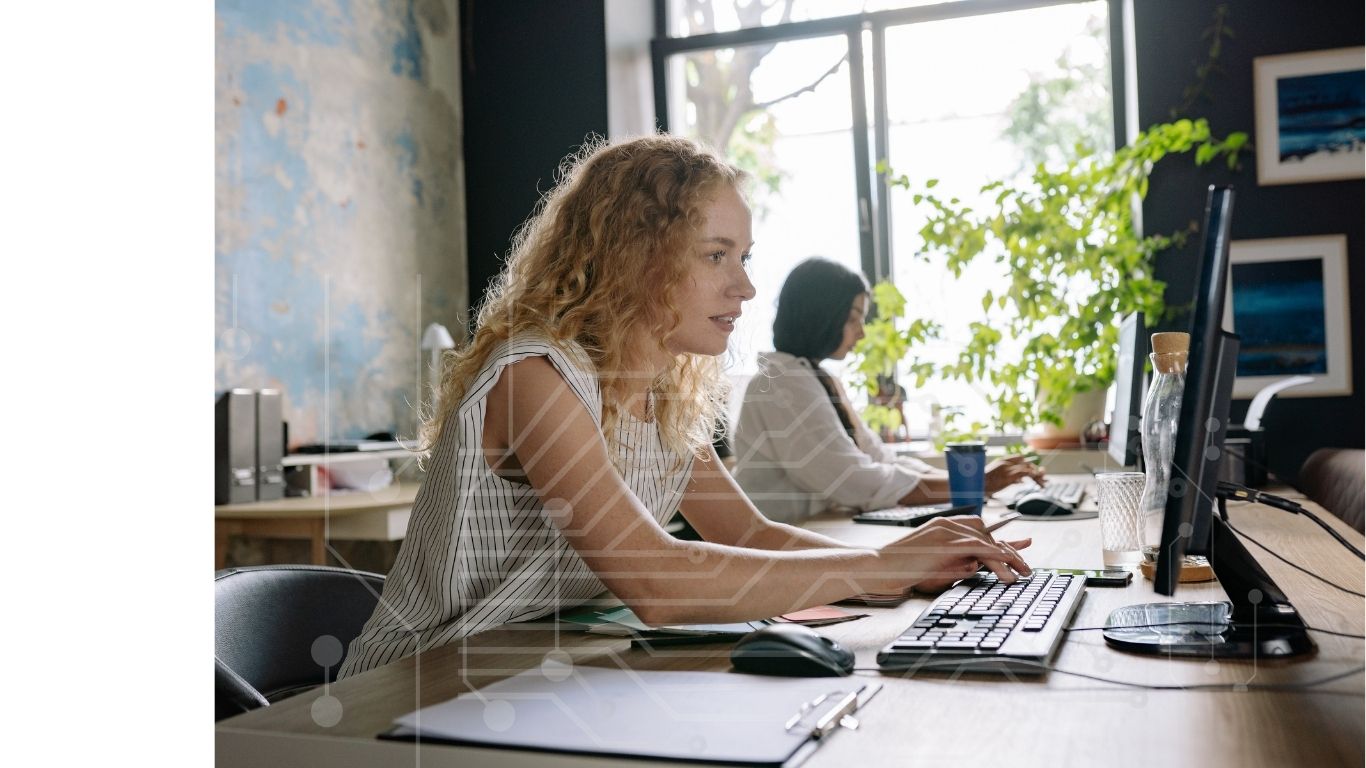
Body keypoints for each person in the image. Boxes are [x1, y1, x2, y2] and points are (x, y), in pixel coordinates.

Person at [339, 137, 1031, 678]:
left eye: (744, 256)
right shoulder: (535, 377)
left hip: (532, 669)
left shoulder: (665, 392)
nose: (745, 287)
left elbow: (752, 535)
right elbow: (654, 578)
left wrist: (904, 562)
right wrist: (882, 567)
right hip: (418, 684)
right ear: (633, 256)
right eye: (716, 256)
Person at [732, 257, 1045, 524]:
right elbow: (855, 481)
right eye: (853, 318)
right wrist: (974, 484)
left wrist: (973, 482)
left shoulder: (814, 378)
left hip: (818, 531)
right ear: (821, 315)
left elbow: (878, 457)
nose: (862, 333)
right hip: (785, 545)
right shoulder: (781, 385)